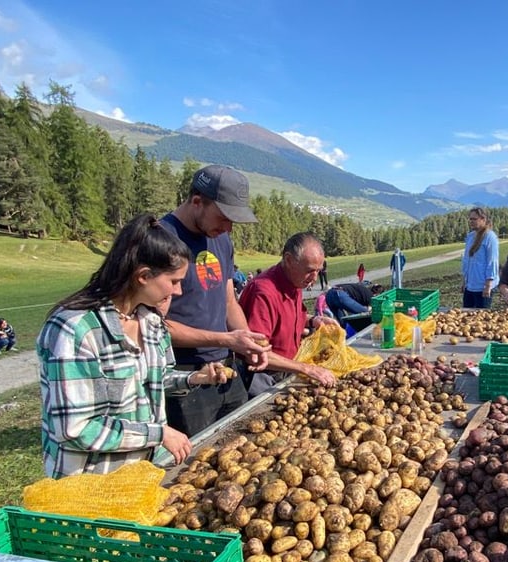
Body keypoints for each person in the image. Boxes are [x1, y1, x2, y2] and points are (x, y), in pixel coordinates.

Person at [35, 214, 233, 479]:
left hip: (136, 476)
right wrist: (159, 433)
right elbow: (75, 429)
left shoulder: (149, 322)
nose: (178, 292)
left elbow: (153, 379)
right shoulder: (74, 330)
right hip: (89, 480)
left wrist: (194, 378)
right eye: (173, 281)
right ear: (143, 276)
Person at [159, 164, 270, 437]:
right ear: (197, 202)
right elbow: (154, 327)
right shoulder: (160, 240)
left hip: (226, 370)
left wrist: (247, 342)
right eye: (224, 217)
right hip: (185, 377)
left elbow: (229, 301)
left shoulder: (222, 240)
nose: (228, 227)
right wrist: (225, 340)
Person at [238, 232, 340, 397]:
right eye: (309, 271)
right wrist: (306, 368)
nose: (314, 278)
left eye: (318, 271)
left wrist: (314, 320)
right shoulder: (264, 292)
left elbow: (288, 318)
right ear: (289, 260)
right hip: (263, 376)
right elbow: (254, 353)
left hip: (286, 369)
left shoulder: (295, 281)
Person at [461, 207, 500, 308]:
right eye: (470, 219)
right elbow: (467, 261)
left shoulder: (490, 237)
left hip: (482, 287)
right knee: (467, 317)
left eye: (474, 219)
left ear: (483, 219)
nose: (471, 221)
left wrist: (488, 286)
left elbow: (492, 262)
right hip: (470, 286)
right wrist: (464, 281)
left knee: (481, 319)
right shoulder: (470, 237)